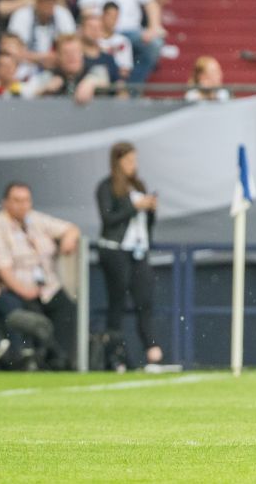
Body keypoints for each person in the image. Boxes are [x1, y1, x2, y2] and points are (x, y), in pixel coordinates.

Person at [0, 182, 80, 369]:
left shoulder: (35, 219)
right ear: (5, 203)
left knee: (67, 308)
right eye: (16, 200)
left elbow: (71, 229)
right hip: (18, 289)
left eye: (26, 200)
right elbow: (3, 268)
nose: (22, 205)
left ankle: (63, 361)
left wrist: (68, 241)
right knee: (36, 319)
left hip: (48, 287)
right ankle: (45, 360)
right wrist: (24, 291)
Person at [95, 142, 162, 370]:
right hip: (115, 250)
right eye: (129, 161)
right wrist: (136, 207)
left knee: (145, 300)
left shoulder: (139, 185)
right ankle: (115, 355)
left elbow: (146, 224)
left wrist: (151, 209)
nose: (134, 165)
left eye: (135, 160)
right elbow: (108, 219)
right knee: (118, 303)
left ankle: (152, 350)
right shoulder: (107, 187)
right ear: (118, 162)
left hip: (138, 250)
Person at [78, 0, 165, 83]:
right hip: (103, 32)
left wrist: (153, 27)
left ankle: (131, 89)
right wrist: (100, 31)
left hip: (132, 32)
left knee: (155, 44)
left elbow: (150, 2)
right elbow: (86, 11)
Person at [7, 0, 76, 71]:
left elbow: (72, 44)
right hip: (24, 67)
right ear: (36, 0)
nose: (49, 4)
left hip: (57, 66)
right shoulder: (21, 15)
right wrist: (40, 58)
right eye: (45, 0)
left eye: (52, 0)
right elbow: (12, 49)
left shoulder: (62, 14)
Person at [39, 33, 110, 105]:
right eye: (66, 53)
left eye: (75, 52)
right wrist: (45, 91)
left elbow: (103, 78)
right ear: (59, 56)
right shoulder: (49, 75)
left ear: (82, 54)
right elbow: (32, 91)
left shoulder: (94, 70)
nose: (71, 56)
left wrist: (90, 82)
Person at [99, 1, 133, 81]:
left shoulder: (123, 41)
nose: (113, 20)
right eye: (110, 16)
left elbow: (125, 68)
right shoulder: (93, 39)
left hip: (115, 80)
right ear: (102, 15)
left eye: (116, 16)